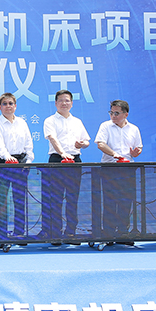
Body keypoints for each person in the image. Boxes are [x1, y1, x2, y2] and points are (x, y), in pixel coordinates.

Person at [40, 90, 90, 243]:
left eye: (67, 100)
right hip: (57, 160)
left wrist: (82, 144)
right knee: (55, 198)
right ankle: (55, 233)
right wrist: (63, 153)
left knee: (72, 198)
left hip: (74, 160)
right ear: (55, 103)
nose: (64, 103)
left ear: (72, 103)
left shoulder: (77, 121)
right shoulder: (50, 120)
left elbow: (86, 141)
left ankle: (71, 233)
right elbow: (52, 138)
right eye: (61, 100)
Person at [94, 100, 143, 238]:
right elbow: (100, 144)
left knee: (126, 201)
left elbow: (138, 148)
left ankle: (123, 232)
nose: (113, 116)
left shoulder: (134, 129)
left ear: (126, 114)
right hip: (110, 167)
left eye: (117, 113)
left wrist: (136, 152)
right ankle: (108, 233)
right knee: (109, 201)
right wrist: (114, 154)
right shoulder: (105, 126)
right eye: (111, 113)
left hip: (127, 168)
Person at [0, 92, 34, 240]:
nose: (8, 106)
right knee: (2, 199)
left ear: (15, 106)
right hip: (2, 163)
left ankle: (19, 232)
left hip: (21, 163)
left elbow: (28, 143)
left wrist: (28, 161)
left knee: (20, 199)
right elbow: (0, 146)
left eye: (11, 103)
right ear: (0, 107)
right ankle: (1, 233)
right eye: (5, 104)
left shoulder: (22, 123)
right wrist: (8, 157)